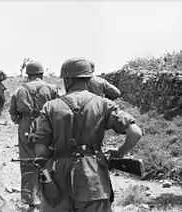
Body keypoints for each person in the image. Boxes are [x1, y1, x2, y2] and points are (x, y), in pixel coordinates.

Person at [32, 58, 142, 212]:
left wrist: (55, 155)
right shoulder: (103, 104)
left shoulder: (50, 107)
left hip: (58, 180)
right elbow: (135, 133)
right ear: (88, 79)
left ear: (67, 80)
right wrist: (120, 152)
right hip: (94, 179)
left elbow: (40, 151)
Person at [9, 61, 60, 212]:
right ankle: (51, 198)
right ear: (42, 73)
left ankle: (32, 202)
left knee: (27, 162)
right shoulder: (52, 88)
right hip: (47, 125)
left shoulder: (19, 90)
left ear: (28, 74)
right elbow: (61, 109)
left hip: (25, 125)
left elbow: (13, 115)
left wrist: (24, 122)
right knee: (50, 160)